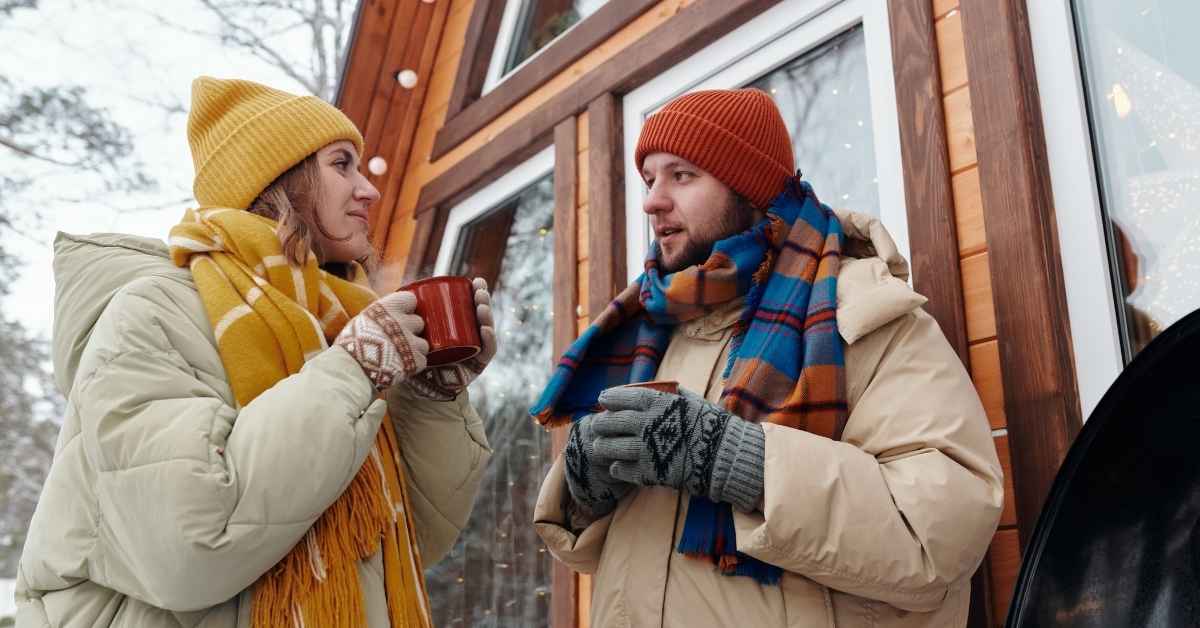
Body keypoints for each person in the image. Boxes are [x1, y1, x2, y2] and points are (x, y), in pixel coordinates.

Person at [14, 77, 494, 627]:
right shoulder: (155, 313)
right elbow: (189, 547)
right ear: (279, 182)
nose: (370, 190)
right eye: (342, 165)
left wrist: (431, 396)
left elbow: (403, 543)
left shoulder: (335, 321)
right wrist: (353, 370)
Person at [530, 88, 1003, 627]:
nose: (652, 200)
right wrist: (586, 485)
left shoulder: (865, 316)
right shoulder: (650, 331)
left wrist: (740, 461)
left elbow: (940, 534)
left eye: (681, 175)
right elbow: (612, 555)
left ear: (749, 189)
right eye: (650, 179)